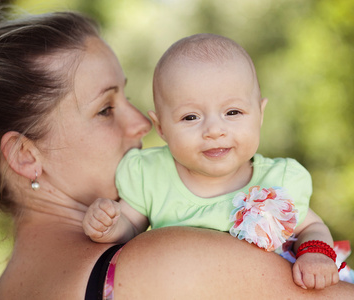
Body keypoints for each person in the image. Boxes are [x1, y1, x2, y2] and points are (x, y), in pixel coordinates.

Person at [0, 6, 353, 300]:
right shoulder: (166, 262)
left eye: (128, 98)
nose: (143, 124)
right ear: (25, 156)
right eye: (106, 109)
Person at [83, 33, 351, 290]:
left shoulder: (279, 180)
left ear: (259, 114)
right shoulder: (150, 176)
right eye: (191, 117)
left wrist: (314, 254)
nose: (214, 130)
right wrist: (109, 226)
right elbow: (129, 229)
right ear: (161, 127)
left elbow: (312, 227)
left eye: (232, 112)